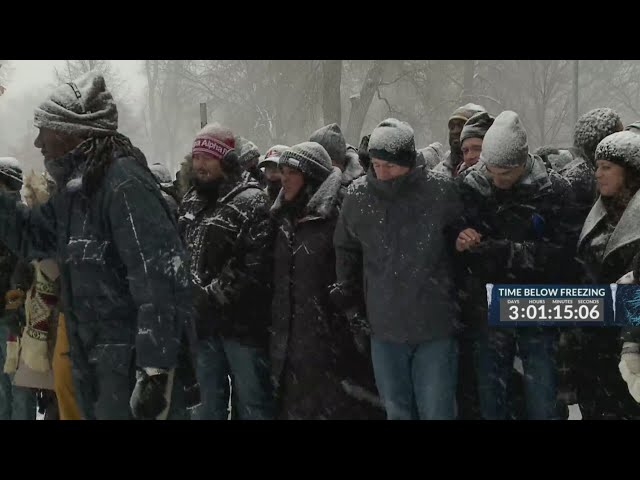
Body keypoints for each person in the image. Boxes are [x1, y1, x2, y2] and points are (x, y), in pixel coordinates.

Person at [0, 72, 197, 420]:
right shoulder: (75, 195)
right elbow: (29, 235)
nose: (37, 143)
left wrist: (155, 371)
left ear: (71, 131)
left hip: (128, 368)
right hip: (93, 363)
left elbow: (160, 278)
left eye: (43, 130)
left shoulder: (123, 184)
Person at [334, 118, 463, 420]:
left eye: (389, 166)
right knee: (397, 411)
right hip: (384, 328)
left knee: (437, 411)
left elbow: (460, 247)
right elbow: (346, 253)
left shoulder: (441, 192)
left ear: (408, 161)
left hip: (435, 326)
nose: (381, 173)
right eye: (376, 165)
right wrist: (352, 306)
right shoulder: (358, 196)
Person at [456, 111, 574, 420]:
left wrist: (503, 252)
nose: (497, 180)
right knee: (491, 394)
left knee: (541, 394)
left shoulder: (553, 190)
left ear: (523, 162)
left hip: (536, 303)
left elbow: (560, 254)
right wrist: (461, 241)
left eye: (505, 173)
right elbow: (458, 242)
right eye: (491, 171)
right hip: (487, 303)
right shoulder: (472, 186)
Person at [270, 142, 383, 419]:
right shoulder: (281, 218)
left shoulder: (339, 215)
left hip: (332, 340)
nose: (283, 178)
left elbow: (358, 274)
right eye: (281, 171)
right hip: (291, 343)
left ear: (311, 176)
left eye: (291, 172)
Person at [179, 123, 274, 420]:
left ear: (226, 160)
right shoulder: (190, 201)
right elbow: (182, 252)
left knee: (252, 405)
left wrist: (210, 296)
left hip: (243, 329)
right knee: (207, 407)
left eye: (208, 158)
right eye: (196, 158)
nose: (200, 165)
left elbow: (251, 265)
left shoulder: (253, 200)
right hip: (203, 329)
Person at [576, 131, 640, 419]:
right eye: (596, 166)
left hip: (628, 346)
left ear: (628, 172)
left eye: (606, 167)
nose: (598, 174)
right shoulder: (597, 212)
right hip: (593, 343)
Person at [0, 157, 38, 420]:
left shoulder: (21, 220)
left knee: (17, 385)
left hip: (16, 317)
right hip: (9, 314)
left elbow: (26, 265)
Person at [433, 103, 486, 178]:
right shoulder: (439, 171)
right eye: (452, 127)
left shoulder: (493, 172)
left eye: (461, 125)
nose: (455, 131)